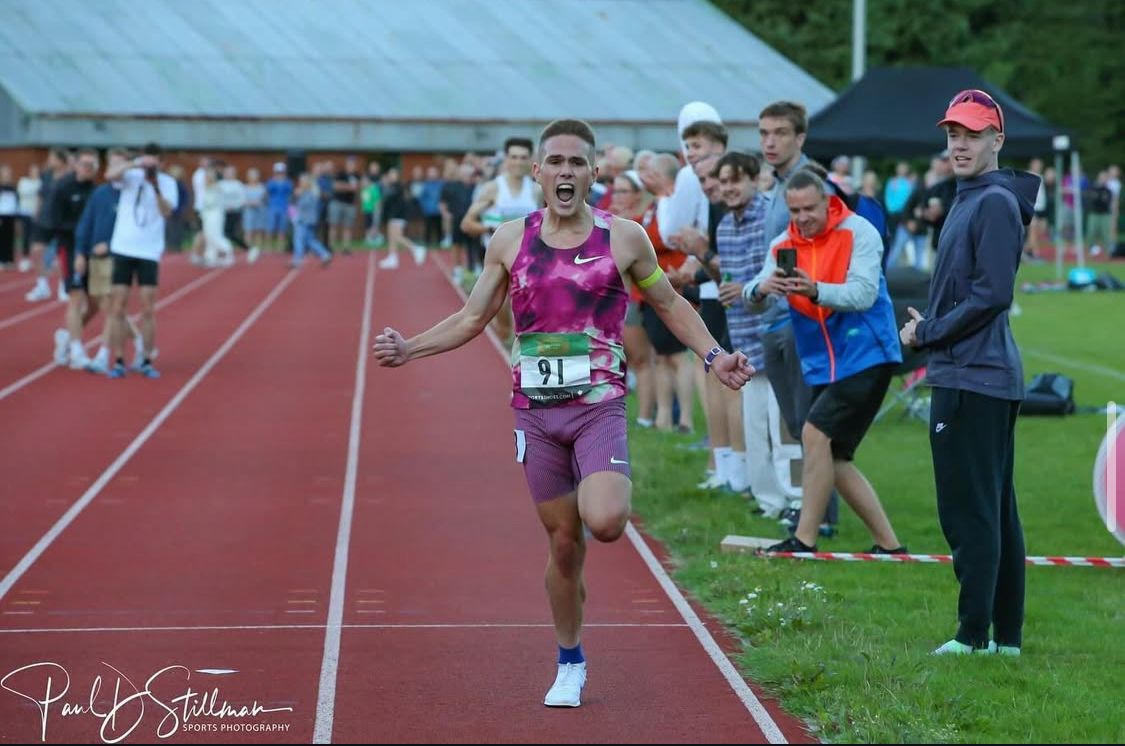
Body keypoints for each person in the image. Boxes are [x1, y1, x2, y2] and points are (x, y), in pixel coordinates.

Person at [374, 119, 753, 708]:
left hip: (597, 408)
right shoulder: (509, 240)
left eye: (578, 163)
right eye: (556, 162)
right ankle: (570, 660)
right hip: (536, 415)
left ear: (594, 172)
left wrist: (713, 355)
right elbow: (472, 318)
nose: (566, 172)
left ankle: (598, 487)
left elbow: (668, 301)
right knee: (564, 545)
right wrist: (410, 348)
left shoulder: (623, 237)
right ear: (539, 173)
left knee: (604, 521)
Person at [900, 89, 1038, 657]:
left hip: (972, 376)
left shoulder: (993, 202)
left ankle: (974, 636)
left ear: (997, 139)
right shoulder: (973, 196)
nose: (959, 144)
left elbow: (992, 296)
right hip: (977, 374)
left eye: (973, 134)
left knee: (970, 509)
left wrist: (926, 333)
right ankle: (1003, 638)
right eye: (953, 134)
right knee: (994, 506)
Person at [744, 170, 905, 556]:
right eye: (794, 210)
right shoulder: (785, 244)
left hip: (869, 352)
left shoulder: (859, 231)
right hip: (824, 361)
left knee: (814, 435)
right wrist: (762, 290)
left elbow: (864, 294)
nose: (802, 218)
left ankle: (804, 540)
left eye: (809, 209)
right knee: (836, 457)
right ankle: (890, 545)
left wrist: (815, 290)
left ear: (827, 201)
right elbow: (755, 296)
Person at [103, 143, 178, 379]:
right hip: (123, 248)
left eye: (154, 162)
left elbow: (167, 211)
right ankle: (118, 360)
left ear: (162, 163)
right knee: (118, 307)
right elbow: (109, 175)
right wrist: (136, 163)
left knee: (148, 308)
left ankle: (145, 359)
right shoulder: (131, 175)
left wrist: (155, 186)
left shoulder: (168, 183)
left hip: (149, 251)